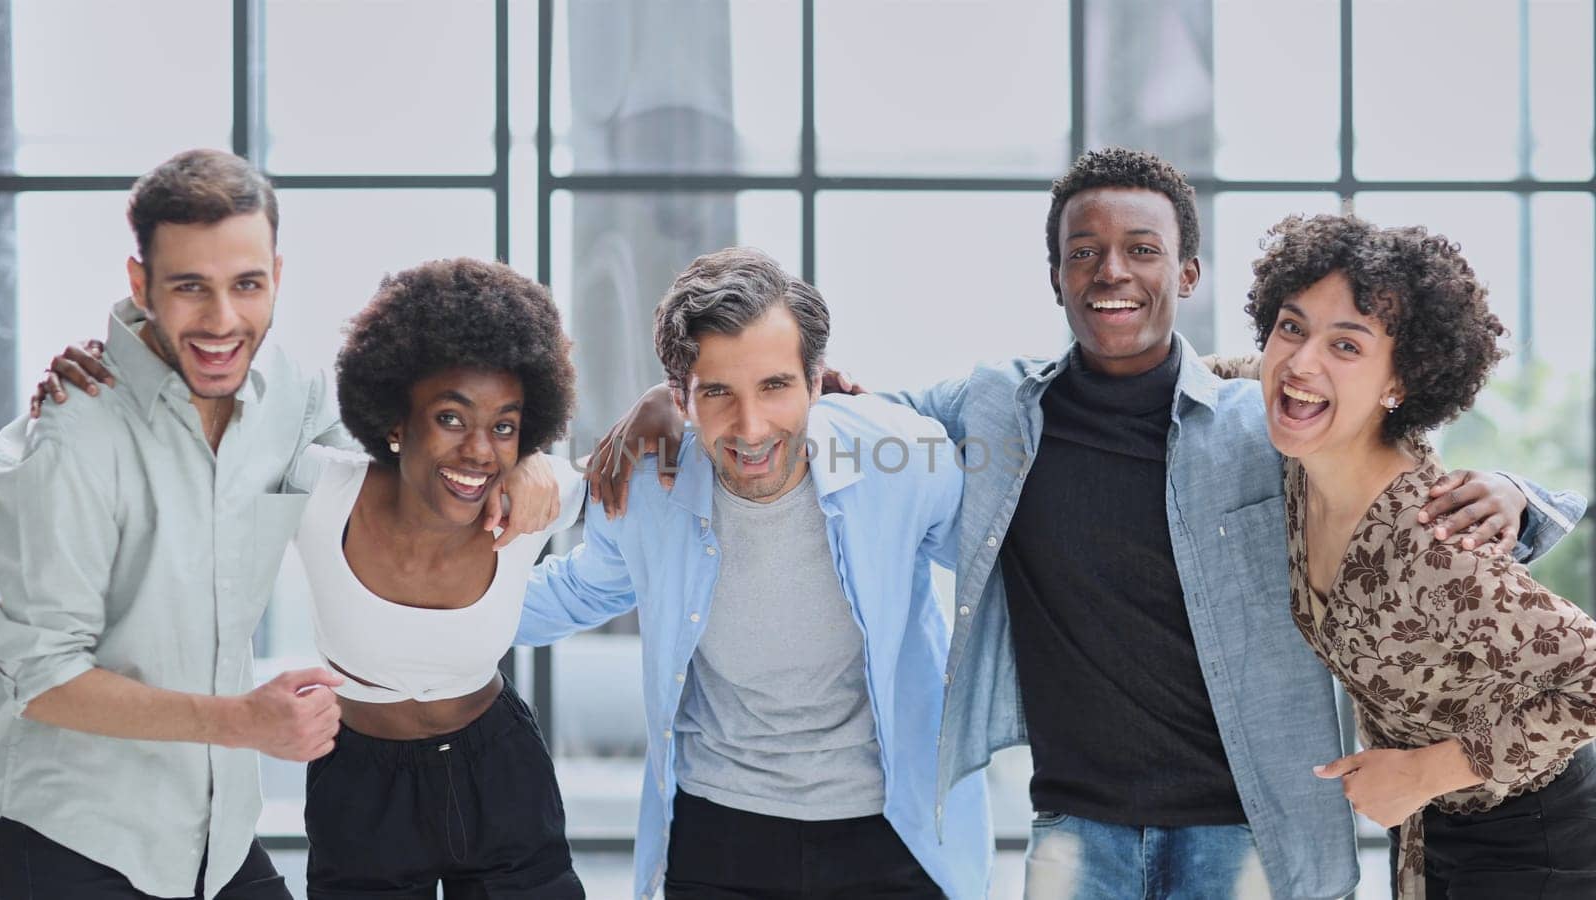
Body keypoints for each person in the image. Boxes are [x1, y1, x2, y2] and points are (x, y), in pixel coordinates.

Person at [581, 149, 1583, 899]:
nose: (1112, 270)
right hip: (1075, 826)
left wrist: (1522, 497)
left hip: (1249, 825)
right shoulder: (990, 408)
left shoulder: (1259, 420)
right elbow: (817, 405)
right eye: (1084, 251)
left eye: (1141, 249)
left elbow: (1398, 467)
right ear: (1055, 274)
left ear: (1184, 274)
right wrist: (668, 399)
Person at [0, 149, 563, 899]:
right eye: (189, 287)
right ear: (140, 285)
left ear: (277, 277)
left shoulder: (287, 402)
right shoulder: (71, 438)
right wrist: (244, 724)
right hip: (79, 835)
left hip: (217, 837)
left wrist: (531, 463)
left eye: (247, 285)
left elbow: (417, 450)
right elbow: (38, 678)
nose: (222, 319)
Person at [517, 247, 990, 899]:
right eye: (718, 392)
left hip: (893, 835)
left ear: (816, 380)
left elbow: (1000, 562)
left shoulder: (902, 460)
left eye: (775, 386)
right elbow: (576, 591)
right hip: (722, 835)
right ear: (680, 395)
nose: (751, 426)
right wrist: (420, 606)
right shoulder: (651, 487)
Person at [1245, 213, 1596, 899]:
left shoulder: (1432, 539)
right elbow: (1214, 375)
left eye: (1346, 345)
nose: (1302, 362)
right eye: (1291, 327)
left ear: (1399, 382)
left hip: (1540, 845)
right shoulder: (1304, 460)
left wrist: (1424, 774)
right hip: (1437, 837)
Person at [293, 258, 585, 898]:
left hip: (499, 770)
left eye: (504, 427)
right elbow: (227, 418)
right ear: (395, 420)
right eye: (451, 417)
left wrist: (539, 459)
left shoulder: (531, 503)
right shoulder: (322, 496)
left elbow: (625, 455)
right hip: (361, 789)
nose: (480, 451)